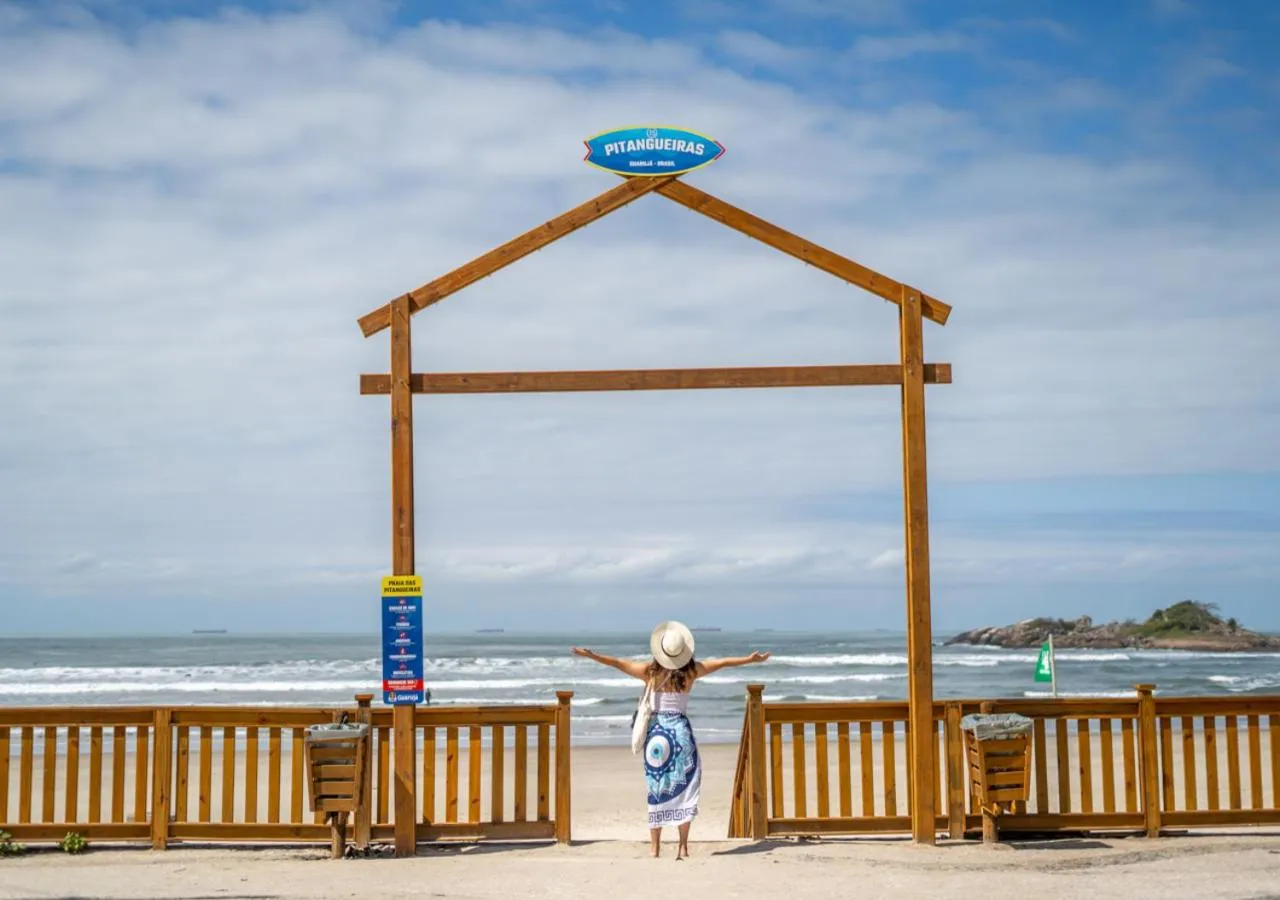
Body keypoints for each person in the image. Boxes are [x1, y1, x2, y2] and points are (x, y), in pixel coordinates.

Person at [572, 621, 770, 859]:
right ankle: (683, 846)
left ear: (660, 651)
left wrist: (592, 655)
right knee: (686, 788)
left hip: (657, 737)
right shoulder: (692, 672)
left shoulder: (650, 672)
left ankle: (654, 847)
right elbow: (724, 662)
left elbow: (617, 663)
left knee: (656, 788)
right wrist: (750, 659)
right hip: (681, 734)